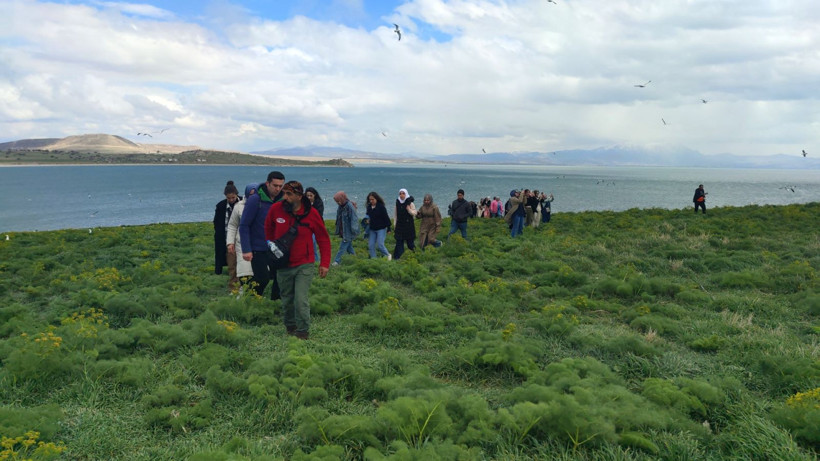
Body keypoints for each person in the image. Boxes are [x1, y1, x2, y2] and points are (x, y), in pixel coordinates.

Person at [264, 181, 330, 340]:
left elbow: (323, 238)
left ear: (299, 196)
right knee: (287, 300)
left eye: (289, 194)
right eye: (284, 193)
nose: (284, 197)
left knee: (301, 300)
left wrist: (324, 263)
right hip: (283, 264)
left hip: (304, 264)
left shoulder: (312, 213)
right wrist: (273, 247)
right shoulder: (276, 209)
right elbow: (268, 229)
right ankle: (290, 326)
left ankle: (302, 332)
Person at [239, 171, 285, 300]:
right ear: (267, 183)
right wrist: (246, 249)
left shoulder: (283, 200)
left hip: (277, 247)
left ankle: (275, 303)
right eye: (275, 185)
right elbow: (244, 225)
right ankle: (250, 299)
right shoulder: (255, 199)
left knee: (279, 277)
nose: (277, 189)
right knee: (262, 278)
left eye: (280, 186)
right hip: (258, 247)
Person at [226, 183, 257, 292]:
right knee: (243, 269)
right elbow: (232, 225)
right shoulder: (239, 206)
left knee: (258, 270)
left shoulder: (262, 205)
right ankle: (241, 290)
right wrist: (230, 242)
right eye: (251, 194)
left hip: (258, 243)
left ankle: (256, 292)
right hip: (242, 243)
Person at [213, 181, 239, 276]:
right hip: (226, 237)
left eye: (233, 197)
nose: (231, 200)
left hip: (240, 237)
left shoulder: (243, 203)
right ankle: (233, 281)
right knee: (231, 261)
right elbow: (217, 222)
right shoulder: (220, 206)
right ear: (225, 196)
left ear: (237, 195)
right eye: (228, 198)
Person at [332, 191, 359, 266]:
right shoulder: (341, 206)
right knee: (348, 246)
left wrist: (354, 231)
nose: (338, 202)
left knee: (343, 246)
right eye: (336, 201)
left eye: (338, 200)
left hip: (349, 230)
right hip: (343, 230)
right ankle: (355, 259)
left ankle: (337, 261)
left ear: (342, 198)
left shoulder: (349, 206)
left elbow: (354, 219)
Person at [366, 192, 392, 259]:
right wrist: (367, 220)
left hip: (381, 228)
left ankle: (388, 255)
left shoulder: (381, 207)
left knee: (380, 245)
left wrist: (389, 228)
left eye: (373, 199)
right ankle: (374, 259)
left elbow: (386, 217)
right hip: (372, 229)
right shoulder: (369, 207)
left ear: (376, 199)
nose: (371, 201)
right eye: (370, 200)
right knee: (371, 245)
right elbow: (367, 216)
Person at [393, 188, 417, 260]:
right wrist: (395, 225)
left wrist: (409, 210)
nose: (401, 195)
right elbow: (395, 216)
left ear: (406, 194)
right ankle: (399, 258)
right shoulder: (397, 204)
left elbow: (414, 213)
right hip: (399, 226)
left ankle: (416, 255)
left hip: (408, 226)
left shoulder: (410, 203)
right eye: (400, 193)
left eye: (403, 193)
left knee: (410, 243)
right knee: (399, 243)